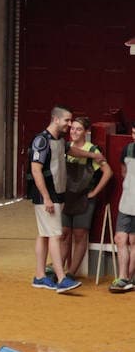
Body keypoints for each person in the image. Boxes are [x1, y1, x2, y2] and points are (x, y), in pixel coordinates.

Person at [27, 105, 101, 293]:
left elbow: (71, 151)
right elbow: (36, 170)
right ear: (56, 119)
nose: (70, 124)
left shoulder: (58, 140)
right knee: (55, 234)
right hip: (47, 196)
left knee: (44, 235)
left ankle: (40, 276)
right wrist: (46, 198)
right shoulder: (41, 141)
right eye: (67, 120)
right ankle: (61, 278)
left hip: (56, 194)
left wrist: (93, 155)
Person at [60, 116, 112, 278]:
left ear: (86, 132)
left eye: (79, 129)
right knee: (64, 233)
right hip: (67, 196)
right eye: (73, 128)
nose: (74, 132)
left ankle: (71, 273)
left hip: (84, 197)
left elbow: (108, 172)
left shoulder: (92, 150)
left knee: (80, 234)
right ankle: (59, 270)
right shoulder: (66, 147)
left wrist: (94, 192)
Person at [110, 123, 135, 293]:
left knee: (134, 241)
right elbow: (123, 172)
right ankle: (123, 277)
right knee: (120, 238)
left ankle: (128, 278)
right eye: (134, 132)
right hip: (127, 201)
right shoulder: (127, 149)